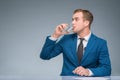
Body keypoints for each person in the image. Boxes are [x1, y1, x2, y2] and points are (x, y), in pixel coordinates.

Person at [40, 9, 111, 76]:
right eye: (72, 20)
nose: (72, 22)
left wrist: (88, 71)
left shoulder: (100, 43)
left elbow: (107, 69)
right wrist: (55, 35)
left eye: (76, 19)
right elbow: (45, 56)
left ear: (86, 23)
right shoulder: (66, 39)